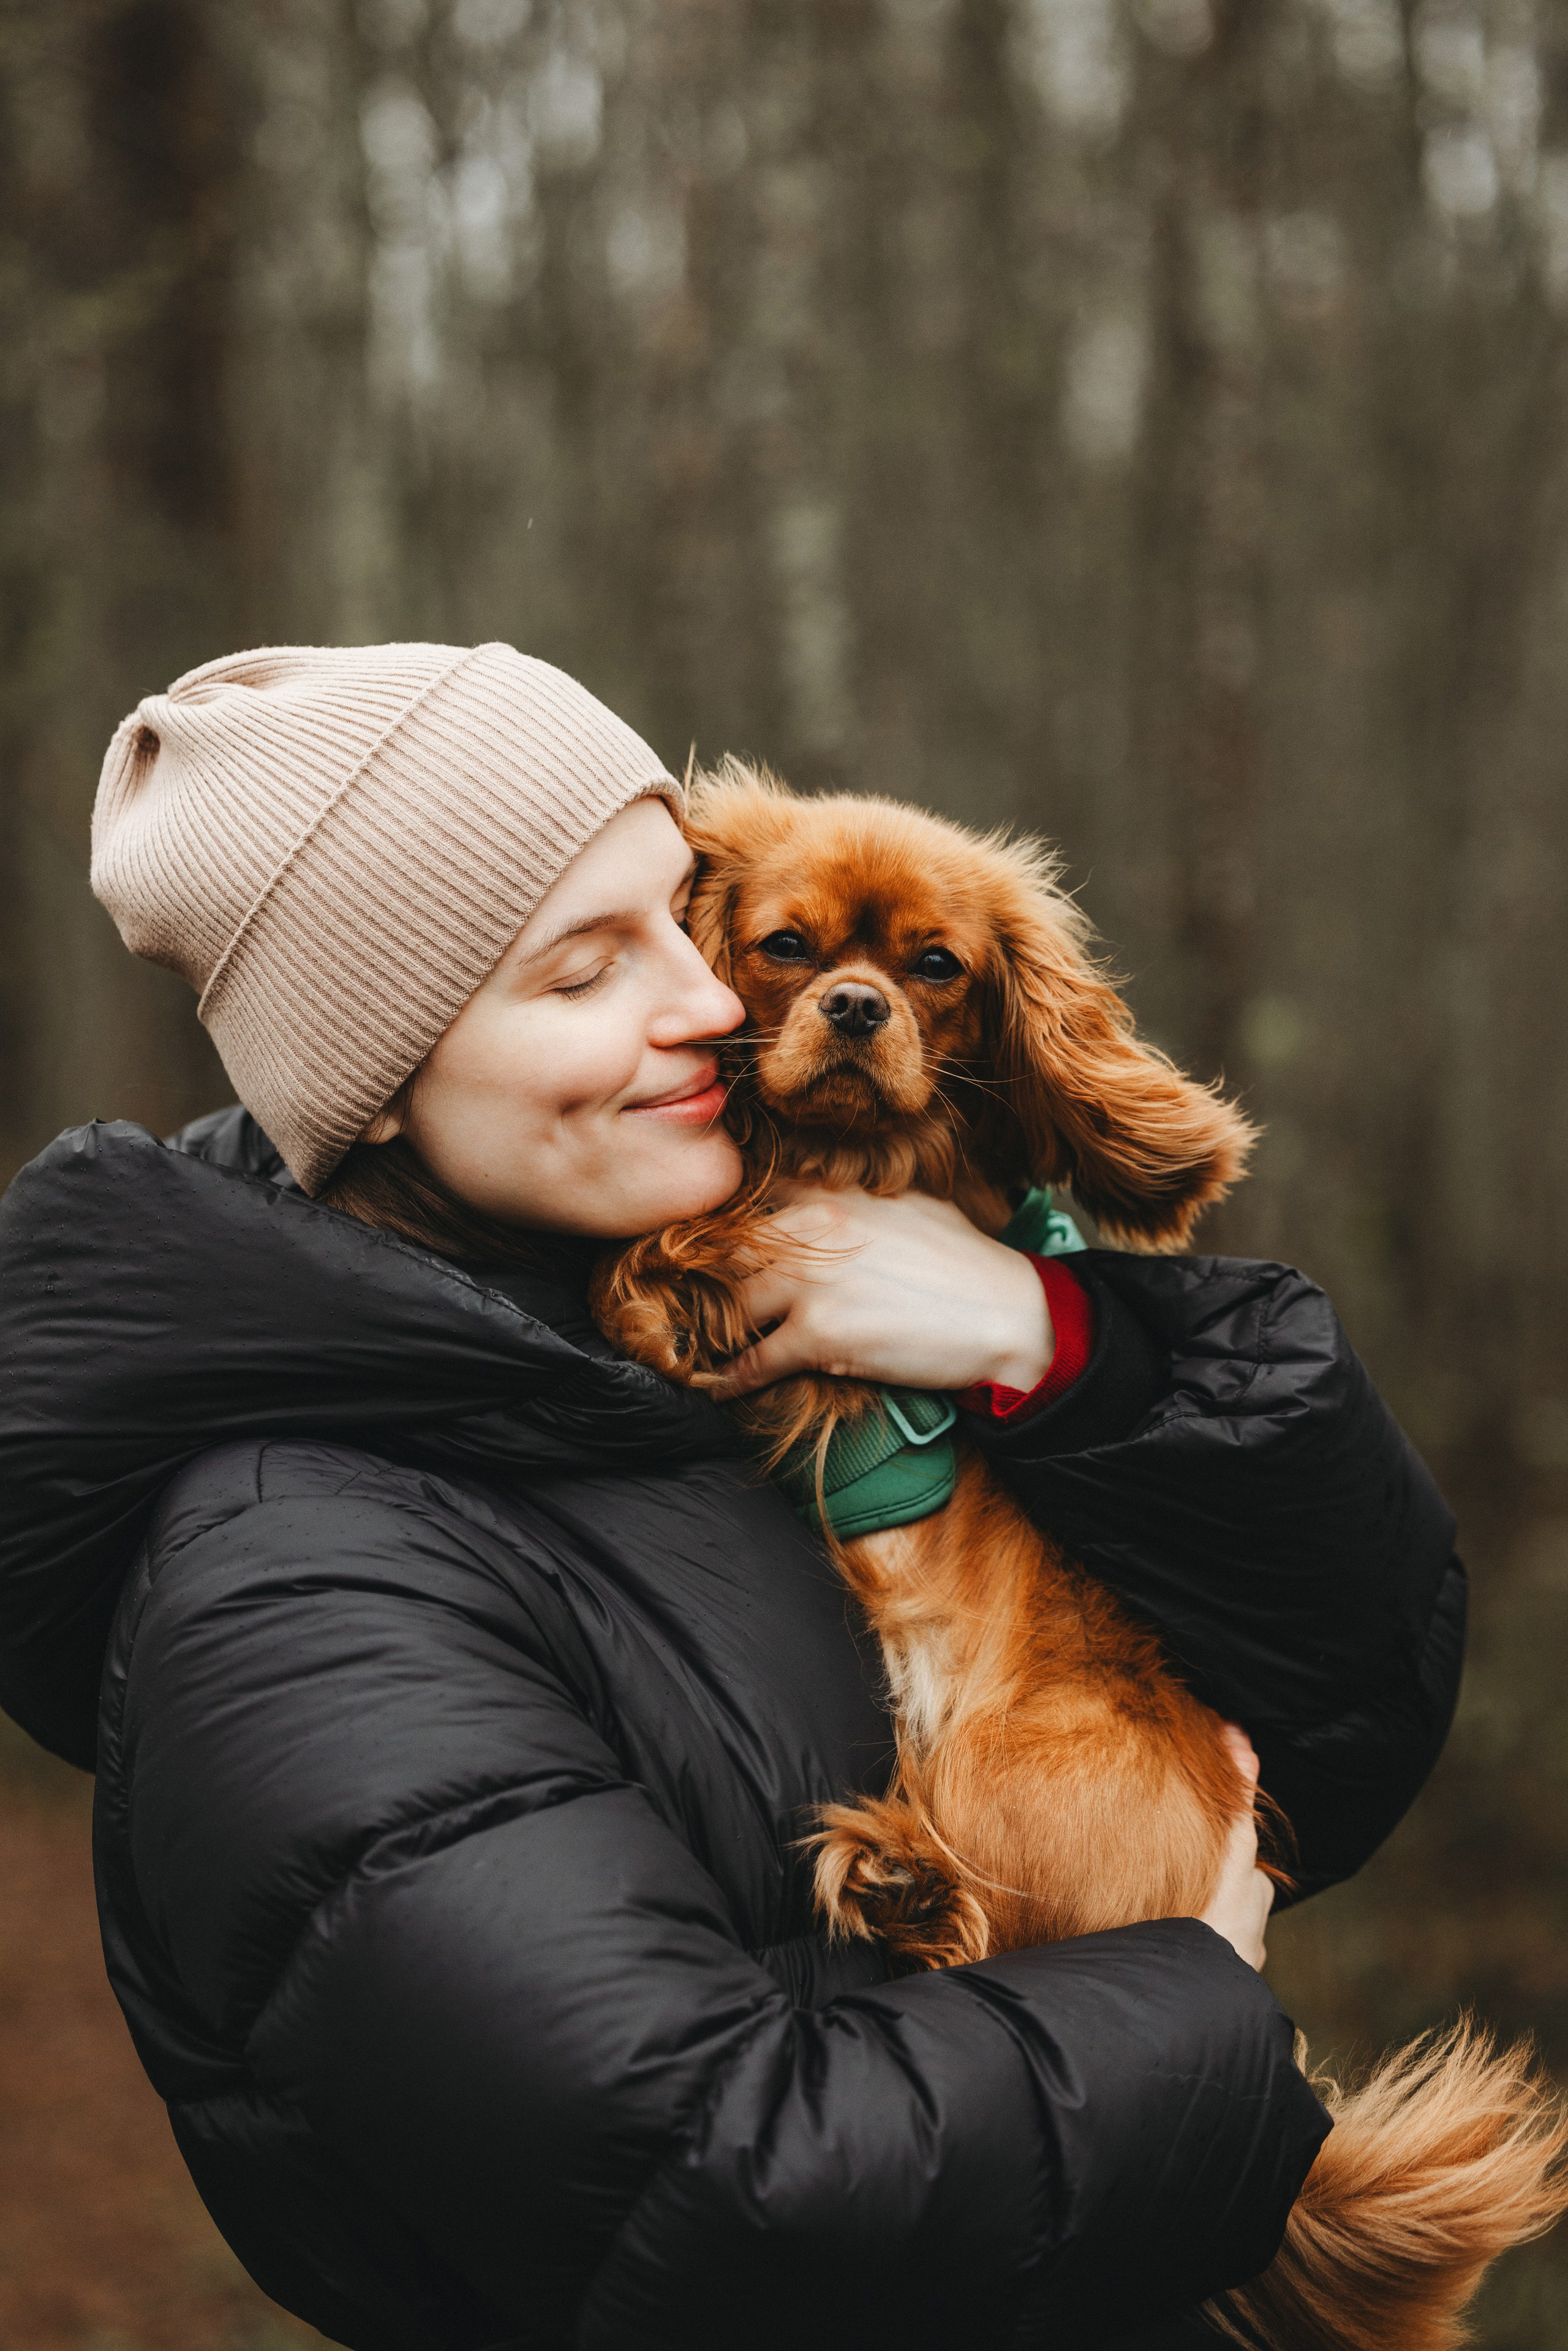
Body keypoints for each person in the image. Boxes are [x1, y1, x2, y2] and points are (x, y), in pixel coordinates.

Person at [0, 644, 1464, 2351]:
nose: (706, 1005)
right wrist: (1197, 2004)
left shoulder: (704, 1338)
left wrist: (1053, 1342)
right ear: (377, 1074)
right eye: (580, 972)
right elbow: (730, 2188)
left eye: (677, 925)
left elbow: (1349, 1715)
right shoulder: (293, 1580)